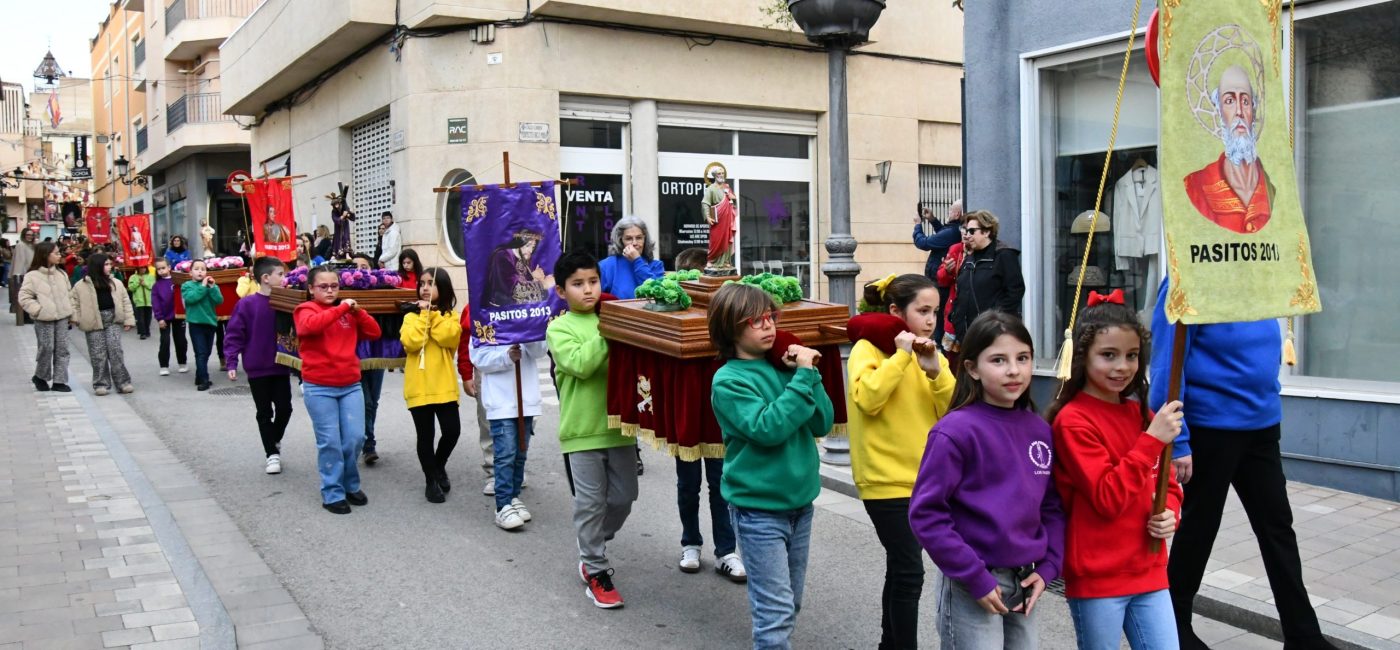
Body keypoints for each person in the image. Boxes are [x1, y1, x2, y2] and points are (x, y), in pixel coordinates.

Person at [1149, 279, 1337, 649]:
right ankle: (1173, 627)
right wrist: (1178, 438)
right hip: (1210, 428)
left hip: (1261, 425)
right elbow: (1167, 365)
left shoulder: (1261, 275)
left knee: (1278, 529)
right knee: (1200, 529)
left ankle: (1303, 635)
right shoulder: (1187, 278)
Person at [908, 311, 1065, 649]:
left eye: (1022, 358)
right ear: (972, 369)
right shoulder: (954, 432)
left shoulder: (1039, 428)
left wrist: (1050, 566)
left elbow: (1051, 506)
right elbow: (927, 514)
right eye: (998, 360)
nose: (1014, 370)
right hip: (972, 580)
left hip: (1025, 579)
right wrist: (974, 576)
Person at [1047, 291, 1183, 650]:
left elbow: (1167, 483)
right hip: (1098, 574)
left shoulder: (1142, 416)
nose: (1122, 366)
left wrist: (1170, 512)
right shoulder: (1072, 420)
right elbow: (1108, 497)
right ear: (1082, 356)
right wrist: (1151, 441)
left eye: (1132, 356)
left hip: (1150, 567)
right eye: (1108, 355)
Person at [708, 283, 834, 649]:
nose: (768, 327)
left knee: (789, 604)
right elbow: (769, 428)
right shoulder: (729, 380)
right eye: (755, 320)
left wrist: (808, 375)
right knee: (774, 614)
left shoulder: (784, 368)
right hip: (758, 511)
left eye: (771, 317)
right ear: (731, 328)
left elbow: (822, 422)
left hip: (800, 505)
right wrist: (803, 378)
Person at [847, 273, 954, 650]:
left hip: (925, 479)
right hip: (883, 478)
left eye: (935, 312)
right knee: (910, 572)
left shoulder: (931, 350)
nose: (930, 320)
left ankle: (888, 645)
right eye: (922, 311)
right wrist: (901, 357)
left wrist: (936, 371)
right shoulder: (868, 349)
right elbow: (868, 398)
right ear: (895, 311)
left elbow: (952, 411)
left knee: (900, 570)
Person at [546, 251, 641, 608]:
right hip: (581, 432)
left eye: (593, 282)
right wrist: (610, 328)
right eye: (578, 284)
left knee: (623, 498)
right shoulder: (559, 327)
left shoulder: (612, 317)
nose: (588, 290)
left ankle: (590, 544)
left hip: (620, 428)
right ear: (560, 292)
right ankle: (595, 568)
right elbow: (582, 365)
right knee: (590, 504)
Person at [667, 247, 743, 580]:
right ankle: (690, 544)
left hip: (718, 416)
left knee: (721, 483)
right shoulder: (676, 315)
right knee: (688, 484)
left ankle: (726, 550)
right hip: (686, 409)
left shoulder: (730, 324)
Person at [295, 265, 381, 514]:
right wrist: (343, 308)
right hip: (319, 387)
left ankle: (350, 484)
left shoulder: (347, 311)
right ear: (311, 289)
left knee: (355, 438)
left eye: (334, 286)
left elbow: (374, 332)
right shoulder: (305, 309)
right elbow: (308, 327)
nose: (330, 290)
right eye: (323, 286)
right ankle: (332, 492)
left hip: (350, 384)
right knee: (329, 441)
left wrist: (358, 311)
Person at [1183, 65, 1273, 235]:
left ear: (1253, 112)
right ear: (1219, 112)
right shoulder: (1197, 187)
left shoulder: (1271, 192)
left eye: (1245, 101)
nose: (1239, 111)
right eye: (1229, 101)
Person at [470, 334, 547, 530]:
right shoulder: (484, 322)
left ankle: (513, 497)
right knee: (505, 454)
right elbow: (479, 358)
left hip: (526, 399)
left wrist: (527, 335)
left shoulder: (526, 320)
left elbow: (540, 350)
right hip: (500, 401)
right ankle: (502, 505)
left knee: (520, 453)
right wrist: (506, 356)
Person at [225, 257, 293, 475]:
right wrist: (232, 361)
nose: (284, 278)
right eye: (280, 274)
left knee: (285, 408)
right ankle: (271, 454)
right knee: (264, 412)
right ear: (266, 278)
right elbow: (235, 334)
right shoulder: (246, 304)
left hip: (280, 365)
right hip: (257, 367)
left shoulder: (286, 301)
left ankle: (273, 439)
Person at [400, 267, 463, 504]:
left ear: (443, 288)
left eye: (431, 283)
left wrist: (432, 315)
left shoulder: (450, 316)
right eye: (422, 283)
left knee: (452, 431)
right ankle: (430, 480)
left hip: (444, 385)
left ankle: (439, 466)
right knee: (425, 436)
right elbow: (412, 342)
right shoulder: (410, 317)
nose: (425, 288)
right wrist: (423, 315)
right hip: (419, 387)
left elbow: (449, 337)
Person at [948, 210, 1025, 345]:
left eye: (972, 231)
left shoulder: (1004, 255)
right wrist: (955, 316)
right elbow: (961, 291)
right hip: (967, 334)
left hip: (993, 333)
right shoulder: (969, 259)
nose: (967, 235)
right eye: (966, 230)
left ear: (987, 232)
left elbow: (1015, 291)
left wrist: (994, 319)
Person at [70, 253, 136, 396]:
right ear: (97, 267)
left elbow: (125, 301)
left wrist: (128, 320)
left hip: (112, 320)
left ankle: (123, 382)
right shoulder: (81, 285)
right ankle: (101, 383)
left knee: (116, 351)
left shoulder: (115, 283)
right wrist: (76, 318)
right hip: (93, 323)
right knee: (97, 354)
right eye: (106, 265)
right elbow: (74, 302)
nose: (109, 267)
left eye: (110, 264)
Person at [19, 242, 74, 392]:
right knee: (46, 348)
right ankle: (41, 376)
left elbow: (70, 295)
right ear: (45, 255)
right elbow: (24, 297)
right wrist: (38, 310)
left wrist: (72, 313)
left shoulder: (62, 274)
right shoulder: (32, 276)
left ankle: (59, 381)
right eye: (56, 253)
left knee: (62, 349)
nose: (59, 256)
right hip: (44, 320)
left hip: (62, 318)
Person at [350, 254, 387, 466]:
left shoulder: (380, 292)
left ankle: (366, 440)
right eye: (356, 267)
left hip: (377, 351)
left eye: (365, 267)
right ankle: (368, 444)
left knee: (373, 400)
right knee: (365, 401)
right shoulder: (344, 294)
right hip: (355, 353)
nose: (360, 271)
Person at [457, 305, 496, 496]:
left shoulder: (517, 298)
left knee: (523, 421)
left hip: (517, 365)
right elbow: (465, 342)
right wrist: (466, 374)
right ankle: (494, 472)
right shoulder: (474, 305)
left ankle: (516, 468)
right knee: (488, 422)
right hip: (485, 369)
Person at [914, 200, 964, 346]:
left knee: (938, 316)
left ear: (956, 213)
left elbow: (923, 243)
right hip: (938, 280)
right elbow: (943, 235)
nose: (948, 213)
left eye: (950, 211)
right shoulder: (954, 231)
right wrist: (933, 220)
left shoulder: (953, 232)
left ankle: (938, 345)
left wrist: (918, 224)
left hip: (940, 282)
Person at [181, 259, 224, 391]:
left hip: (210, 322)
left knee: (207, 352)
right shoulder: (187, 286)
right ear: (190, 272)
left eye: (203, 269)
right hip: (196, 323)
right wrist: (203, 287)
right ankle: (204, 379)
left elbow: (219, 300)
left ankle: (199, 375)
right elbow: (191, 299)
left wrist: (212, 287)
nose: (200, 271)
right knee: (200, 352)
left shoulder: (210, 285)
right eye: (197, 269)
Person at [598, 216, 664, 299]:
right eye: (629, 238)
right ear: (620, 240)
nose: (634, 243)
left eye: (639, 238)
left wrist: (637, 261)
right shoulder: (606, 266)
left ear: (645, 239)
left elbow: (658, 294)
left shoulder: (656, 265)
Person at [484, 229, 549, 307]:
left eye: (533, 247)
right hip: (501, 309)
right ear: (520, 242)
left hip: (516, 306)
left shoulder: (523, 256)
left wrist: (534, 277)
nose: (530, 251)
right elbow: (516, 290)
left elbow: (523, 280)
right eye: (528, 245)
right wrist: (544, 284)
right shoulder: (502, 256)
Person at [151, 259, 188, 376]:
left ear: (169, 267)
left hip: (178, 316)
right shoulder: (157, 285)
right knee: (165, 341)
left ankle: (182, 362)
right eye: (159, 269)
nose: (161, 271)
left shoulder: (177, 281)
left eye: (163, 268)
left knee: (181, 340)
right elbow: (155, 302)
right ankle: (164, 365)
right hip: (164, 317)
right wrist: (159, 318)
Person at [701, 164, 737, 271]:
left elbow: (734, 201)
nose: (721, 175)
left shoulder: (727, 187)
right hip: (717, 219)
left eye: (722, 173)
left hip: (727, 219)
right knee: (716, 240)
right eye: (719, 173)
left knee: (727, 238)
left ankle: (725, 261)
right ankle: (711, 260)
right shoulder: (711, 189)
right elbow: (705, 203)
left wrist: (732, 198)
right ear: (714, 176)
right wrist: (707, 216)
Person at [9, 230, 36, 319]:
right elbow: (20, 261)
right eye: (28, 235)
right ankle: (25, 317)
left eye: (31, 235)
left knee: (30, 296)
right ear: (24, 235)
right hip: (24, 274)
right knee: (25, 296)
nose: (30, 236)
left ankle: (28, 316)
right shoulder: (21, 245)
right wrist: (19, 274)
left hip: (31, 273)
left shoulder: (32, 246)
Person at [127, 264, 155, 340]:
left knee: (148, 317)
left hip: (149, 301)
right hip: (139, 301)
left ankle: (147, 330)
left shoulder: (150, 277)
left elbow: (153, 286)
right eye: (141, 268)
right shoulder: (133, 277)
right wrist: (138, 283)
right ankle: (142, 333)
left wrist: (145, 284)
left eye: (144, 267)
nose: (143, 269)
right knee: (140, 318)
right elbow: (130, 288)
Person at [329, 194, 356, 260]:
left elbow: (352, 218)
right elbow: (335, 219)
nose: (336, 206)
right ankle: (335, 254)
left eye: (337, 204)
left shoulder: (345, 208)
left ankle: (347, 253)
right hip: (338, 229)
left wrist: (350, 214)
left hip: (345, 227)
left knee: (346, 239)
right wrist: (342, 217)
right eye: (334, 205)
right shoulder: (334, 212)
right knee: (337, 240)